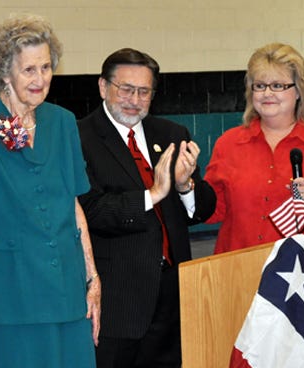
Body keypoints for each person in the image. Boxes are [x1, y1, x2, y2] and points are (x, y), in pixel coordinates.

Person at [0, 14, 100, 368]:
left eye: (46, 67)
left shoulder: (62, 122)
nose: (40, 79)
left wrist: (92, 277)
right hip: (10, 295)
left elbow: (73, 204)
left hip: (67, 291)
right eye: (29, 69)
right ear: (4, 72)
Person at [77, 48, 216, 368]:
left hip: (172, 293)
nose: (134, 99)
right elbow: (91, 212)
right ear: (102, 86)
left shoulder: (171, 134)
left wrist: (185, 186)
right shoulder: (79, 137)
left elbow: (202, 211)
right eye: (125, 89)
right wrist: (153, 194)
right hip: (117, 298)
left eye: (144, 91)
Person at [205, 43, 304, 254]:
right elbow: (213, 212)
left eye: (277, 85)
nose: (267, 93)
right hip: (237, 269)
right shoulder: (229, 143)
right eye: (259, 86)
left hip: (301, 275)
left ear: (299, 91)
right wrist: (186, 187)